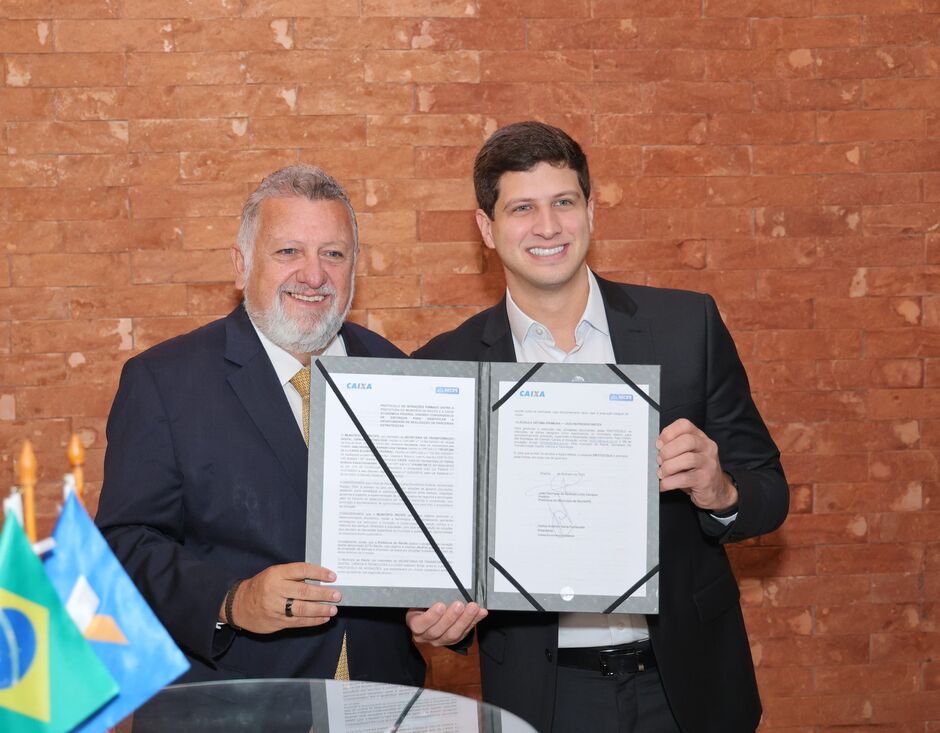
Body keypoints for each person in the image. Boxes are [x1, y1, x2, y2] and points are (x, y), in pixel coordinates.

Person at [413, 122, 789, 733]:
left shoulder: (686, 327)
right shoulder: (444, 367)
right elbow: (433, 548)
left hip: (687, 685)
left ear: (591, 211)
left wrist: (721, 491)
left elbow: (770, 492)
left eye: (564, 202)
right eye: (522, 208)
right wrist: (436, 619)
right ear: (486, 228)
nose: (548, 227)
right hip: (546, 694)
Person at [96, 164, 481, 683]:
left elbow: (428, 537)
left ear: (355, 266)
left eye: (333, 254)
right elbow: (123, 545)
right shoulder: (165, 381)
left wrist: (434, 612)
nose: (314, 275)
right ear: (241, 265)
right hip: (236, 700)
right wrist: (232, 601)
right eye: (288, 252)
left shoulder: (399, 373)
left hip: (383, 695)